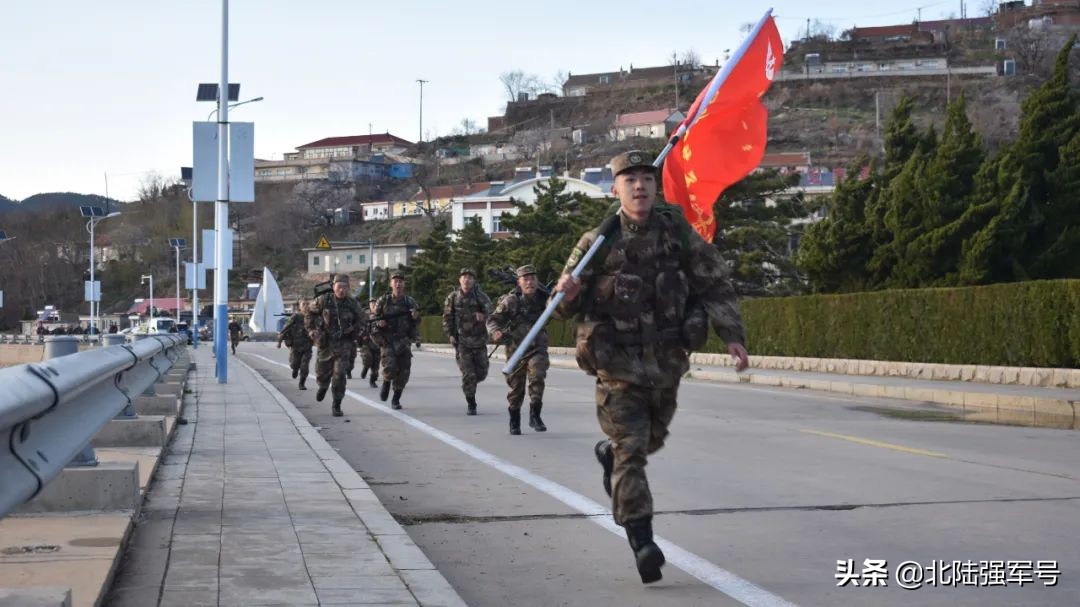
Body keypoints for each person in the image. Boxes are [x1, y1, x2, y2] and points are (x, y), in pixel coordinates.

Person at [554, 150, 751, 584]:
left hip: (664, 364)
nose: (639, 186)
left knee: (650, 441)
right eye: (630, 180)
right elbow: (565, 305)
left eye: (646, 178)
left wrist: (732, 334)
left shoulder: (677, 234)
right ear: (616, 189)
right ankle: (642, 541)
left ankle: (609, 457)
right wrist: (568, 292)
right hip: (617, 367)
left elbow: (713, 281)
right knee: (633, 452)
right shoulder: (597, 242)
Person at [487, 265, 549, 435]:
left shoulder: (545, 299)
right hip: (516, 350)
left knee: (538, 376)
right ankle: (514, 419)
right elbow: (493, 319)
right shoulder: (511, 301)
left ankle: (535, 414)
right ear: (519, 282)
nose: (530, 282)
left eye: (533, 278)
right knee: (516, 388)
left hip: (538, 347)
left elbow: (561, 309)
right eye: (525, 279)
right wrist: (495, 332)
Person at [306, 274, 364, 417]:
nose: (342, 290)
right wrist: (311, 329)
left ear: (348, 288)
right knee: (321, 373)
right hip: (325, 343)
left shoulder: (352, 303)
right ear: (333, 287)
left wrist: (355, 330)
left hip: (344, 344)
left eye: (345, 287)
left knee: (339, 375)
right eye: (339, 287)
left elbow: (363, 319)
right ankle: (323, 386)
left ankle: (336, 404)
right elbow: (308, 312)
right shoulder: (323, 300)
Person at [442, 268, 492, 415]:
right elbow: (446, 318)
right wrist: (450, 334)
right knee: (469, 374)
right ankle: (471, 402)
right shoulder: (453, 297)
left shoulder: (481, 297)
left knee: (481, 373)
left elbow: (493, 315)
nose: (467, 280)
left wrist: (483, 316)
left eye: (470, 277)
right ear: (460, 280)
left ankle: (470, 385)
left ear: (474, 281)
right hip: (462, 342)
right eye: (464, 277)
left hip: (479, 340)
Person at [373, 272, 421, 409]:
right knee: (390, 366)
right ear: (391, 284)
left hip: (403, 340)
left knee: (404, 371)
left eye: (400, 281)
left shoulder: (409, 302)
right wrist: (379, 323)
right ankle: (387, 382)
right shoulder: (383, 301)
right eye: (395, 281)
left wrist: (415, 316)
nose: (398, 284)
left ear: (404, 284)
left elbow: (417, 321)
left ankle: (396, 399)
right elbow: (373, 319)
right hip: (387, 340)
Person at [278, 300, 314, 390]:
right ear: (300, 307)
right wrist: (279, 341)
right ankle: (295, 369)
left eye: (307, 304)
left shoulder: (312, 317)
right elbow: (285, 328)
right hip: (295, 346)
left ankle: (302, 383)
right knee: (294, 364)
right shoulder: (295, 317)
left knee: (305, 366)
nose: (306, 306)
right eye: (304, 304)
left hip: (307, 346)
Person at [359, 300, 381, 388]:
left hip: (378, 343)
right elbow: (359, 325)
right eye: (372, 303)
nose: (373, 305)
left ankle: (373, 380)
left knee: (376, 364)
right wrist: (362, 336)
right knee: (368, 358)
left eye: (375, 303)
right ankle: (365, 367)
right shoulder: (364, 314)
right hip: (366, 342)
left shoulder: (381, 314)